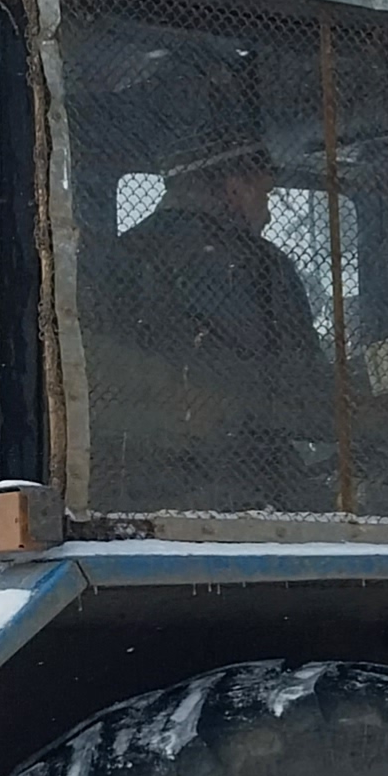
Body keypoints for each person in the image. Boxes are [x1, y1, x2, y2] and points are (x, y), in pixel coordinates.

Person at [86, 122, 336, 509]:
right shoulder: (261, 269)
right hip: (239, 492)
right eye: (266, 195)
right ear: (236, 189)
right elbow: (308, 401)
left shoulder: (108, 263)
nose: (268, 215)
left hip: (123, 494)